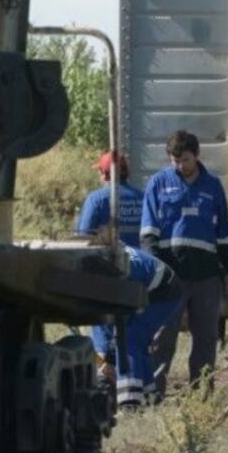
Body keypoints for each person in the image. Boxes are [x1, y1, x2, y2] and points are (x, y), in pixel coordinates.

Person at [141, 130, 228, 395]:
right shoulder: (158, 184)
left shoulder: (212, 186)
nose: (180, 165)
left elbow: (224, 232)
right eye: (175, 160)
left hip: (206, 276)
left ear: (196, 155)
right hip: (171, 277)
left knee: (206, 338)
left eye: (185, 159)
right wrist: (155, 273)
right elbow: (148, 233)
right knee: (163, 337)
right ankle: (153, 393)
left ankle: (202, 394)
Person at [75, 151, 144, 381]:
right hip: (139, 276)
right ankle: (135, 381)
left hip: (106, 278)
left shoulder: (97, 199)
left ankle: (106, 380)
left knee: (104, 332)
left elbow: (83, 238)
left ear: (104, 174)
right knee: (133, 335)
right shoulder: (143, 198)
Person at [114, 246, 183, 410]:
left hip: (164, 293)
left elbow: (118, 315)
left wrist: (107, 355)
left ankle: (130, 402)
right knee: (138, 340)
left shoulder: (123, 268)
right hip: (160, 288)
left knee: (129, 338)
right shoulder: (115, 254)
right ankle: (151, 396)